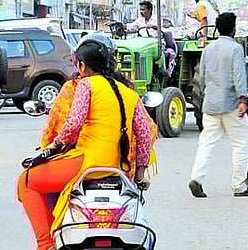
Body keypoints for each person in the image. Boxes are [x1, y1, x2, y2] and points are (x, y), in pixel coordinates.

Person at [17, 39, 154, 250]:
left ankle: (46, 245)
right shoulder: (129, 93)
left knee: (26, 181)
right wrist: (140, 173)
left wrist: (55, 145)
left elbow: (74, 123)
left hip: (86, 164)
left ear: (81, 65)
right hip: (118, 169)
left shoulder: (86, 84)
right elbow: (144, 136)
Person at [189, 12, 248, 198]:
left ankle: (196, 179)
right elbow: (238, 75)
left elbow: (201, 77)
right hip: (232, 104)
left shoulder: (208, 49)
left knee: (206, 144)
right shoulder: (235, 49)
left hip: (210, 103)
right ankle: (239, 186)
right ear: (234, 28)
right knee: (240, 144)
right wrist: (243, 99)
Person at [126, 0, 176, 75]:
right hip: (142, 44)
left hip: (155, 43)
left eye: (143, 9)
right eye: (140, 9)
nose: (141, 11)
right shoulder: (139, 20)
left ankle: (163, 72)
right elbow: (130, 26)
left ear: (149, 10)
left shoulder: (157, 19)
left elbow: (160, 28)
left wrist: (153, 27)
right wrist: (119, 25)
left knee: (160, 54)